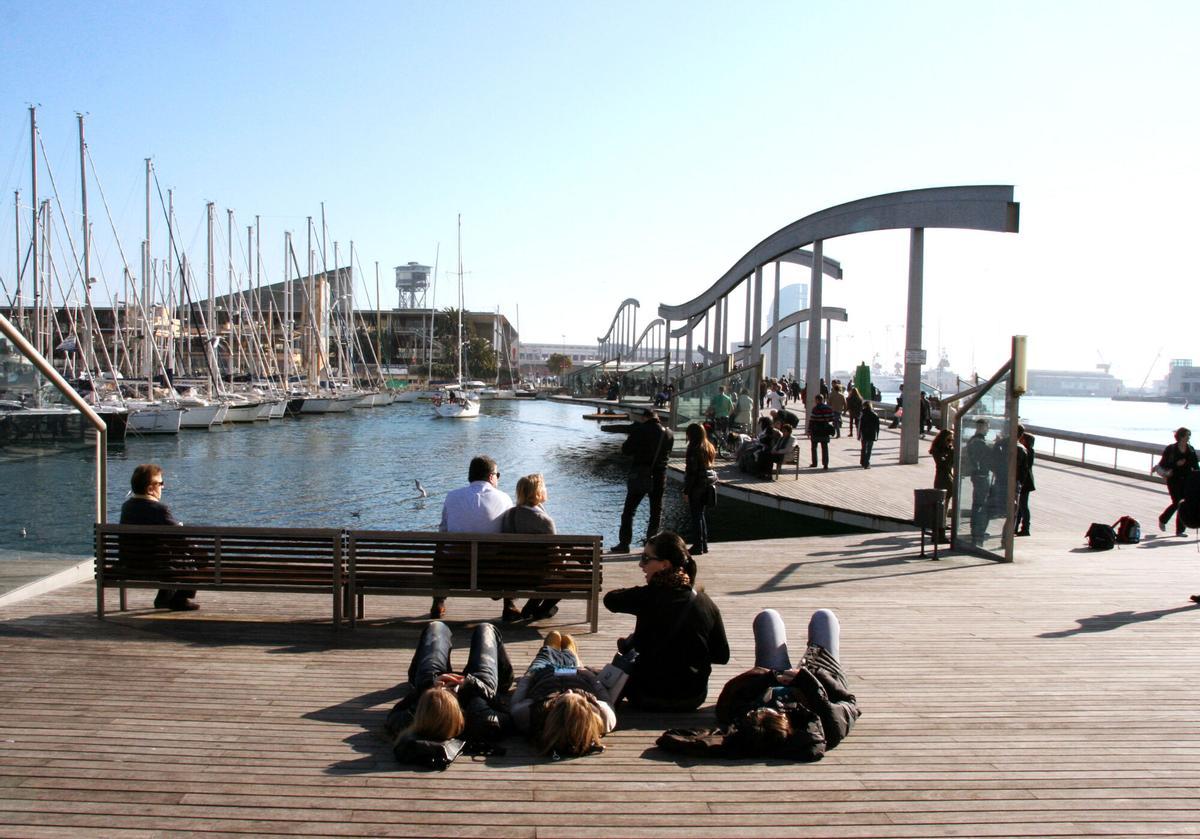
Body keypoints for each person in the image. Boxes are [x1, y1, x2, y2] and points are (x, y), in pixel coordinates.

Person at [656, 608, 860, 760]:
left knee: (768, 617)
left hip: (774, 676)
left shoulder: (746, 722)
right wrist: (807, 679)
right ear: (781, 719)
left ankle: (780, 668)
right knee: (824, 617)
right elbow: (849, 702)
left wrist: (769, 678)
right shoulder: (825, 727)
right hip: (823, 676)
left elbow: (731, 696)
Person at [603, 531, 730, 711]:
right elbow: (722, 656)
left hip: (645, 695)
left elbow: (610, 599)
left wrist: (647, 589)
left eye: (646, 558)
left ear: (664, 565)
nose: (641, 564)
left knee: (588, 674)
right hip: (691, 698)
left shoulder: (647, 597)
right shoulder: (705, 603)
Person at [385, 621, 513, 766]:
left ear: (422, 710)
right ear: (456, 711)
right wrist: (472, 685)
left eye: (433, 693)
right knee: (486, 629)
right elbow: (507, 711)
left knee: (436, 627)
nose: (446, 688)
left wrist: (428, 686)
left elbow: (395, 713)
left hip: (434, 681)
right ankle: (505, 678)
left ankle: (418, 679)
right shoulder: (484, 721)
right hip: (478, 689)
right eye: (448, 692)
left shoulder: (408, 722)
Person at [509, 630, 617, 757]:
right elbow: (603, 694)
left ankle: (554, 647)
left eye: (561, 697)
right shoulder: (603, 716)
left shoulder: (531, 715)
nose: (569, 690)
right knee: (570, 652)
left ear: (555, 713)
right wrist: (588, 675)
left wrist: (528, 677)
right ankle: (570, 651)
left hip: (544, 672)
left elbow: (517, 699)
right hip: (575, 673)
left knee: (549, 647)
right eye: (581, 698)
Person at [433, 455, 515, 620]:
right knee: (511, 549)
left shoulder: (452, 496)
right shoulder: (504, 498)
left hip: (456, 571)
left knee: (441, 548)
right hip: (491, 573)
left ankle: (438, 602)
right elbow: (509, 534)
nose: (498, 479)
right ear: (492, 476)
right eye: (497, 475)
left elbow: (443, 531)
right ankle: (509, 604)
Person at [119, 463, 197, 611]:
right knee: (190, 558)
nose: (163, 487)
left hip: (129, 564)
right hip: (157, 566)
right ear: (150, 489)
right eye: (161, 483)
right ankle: (178, 599)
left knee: (171, 557)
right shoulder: (160, 509)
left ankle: (165, 597)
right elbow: (180, 537)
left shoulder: (126, 507)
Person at [612, 409, 674, 554]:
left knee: (629, 511)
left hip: (640, 474)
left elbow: (626, 450)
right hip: (660, 476)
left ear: (644, 417)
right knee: (655, 511)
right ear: (657, 417)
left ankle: (624, 543)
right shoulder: (668, 433)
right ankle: (651, 545)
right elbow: (668, 454)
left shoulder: (640, 430)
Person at [500, 473, 559, 622]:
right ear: (538, 492)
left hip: (514, 574)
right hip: (539, 577)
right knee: (573, 573)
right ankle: (540, 609)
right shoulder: (545, 521)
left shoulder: (509, 515)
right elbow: (555, 557)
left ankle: (532, 608)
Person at [1157, 427, 1198, 536]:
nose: (1189, 437)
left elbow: (1195, 466)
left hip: (1187, 481)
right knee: (1177, 502)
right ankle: (1163, 519)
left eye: (1189, 435)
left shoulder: (1191, 449)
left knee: (1183, 503)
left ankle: (1180, 530)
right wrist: (1176, 464)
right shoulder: (1171, 449)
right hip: (1173, 479)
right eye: (1187, 435)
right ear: (1180, 436)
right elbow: (1163, 464)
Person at [964, 419, 993, 545]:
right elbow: (987, 456)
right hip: (981, 475)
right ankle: (977, 530)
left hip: (977, 475)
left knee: (977, 503)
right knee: (980, 503)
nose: (988, 430)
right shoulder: (979, 442)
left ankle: (975, 528)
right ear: (982, 427)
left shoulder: (973, 440)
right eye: (987, 427)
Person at [929, 429, 955, 528]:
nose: (950, 443)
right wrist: (950, 453)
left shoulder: (949, 450)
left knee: (947, 502)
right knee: (942, 503)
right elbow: (942, 464)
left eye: (951, 441)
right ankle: (940, 524)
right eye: (948, 440)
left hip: (949, 477)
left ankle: (943, 522)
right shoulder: (937, 450)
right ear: (943, 439)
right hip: (942, 478)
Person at [807, 394, 836, 469]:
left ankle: (814, 463)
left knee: (814, 447)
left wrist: (809, 430)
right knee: (824, 447)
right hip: (825, 429)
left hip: (816, 429)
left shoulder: (815, 409)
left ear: (817, 400)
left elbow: (812, 420)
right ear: (822, 399)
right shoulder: (828, 408)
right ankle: (825, 464)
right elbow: (832, 418)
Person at [1015, 432, 1035, 536]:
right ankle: (1017, 526)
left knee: (1022, 506)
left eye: (1022, 439)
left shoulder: (1026, 451)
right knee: (1021, 506)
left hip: (1025, 482)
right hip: (1027, 482)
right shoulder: (1029, 451)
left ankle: (1025, 527)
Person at [858, 402, 880, 469]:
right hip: (872, 433)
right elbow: (877, 427)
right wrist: (877, 435)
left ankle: (863, 461)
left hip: (864, 433)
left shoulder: (862, 415)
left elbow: (860, 426)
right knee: (869, 449)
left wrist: (859, 434)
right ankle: (867, 463)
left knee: (864, 448)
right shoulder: (875, 415)